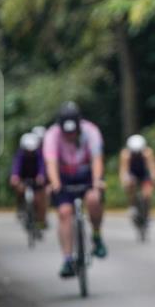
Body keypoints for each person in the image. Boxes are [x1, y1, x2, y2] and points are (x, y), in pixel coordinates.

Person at [42, 101, 107, 278]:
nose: (70, 136)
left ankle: (97, 235)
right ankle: (67, 259)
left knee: (94, 198)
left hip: (86, 174)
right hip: (63, 176)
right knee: (64, 212)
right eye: (67, 132)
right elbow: (51, 163)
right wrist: (55, 183)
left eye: (73, 132)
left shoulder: (91, 131)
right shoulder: (52, 135)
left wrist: (97, 181)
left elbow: (97, 159)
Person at [9, 132, 47, 229]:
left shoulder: (39, 154)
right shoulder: (20, 154)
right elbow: (16, 167)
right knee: (19, 189)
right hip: (23, 177)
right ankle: (20, 207)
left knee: (39, 199)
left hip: (36, 178)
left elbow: (41, 166)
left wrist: (41, 176)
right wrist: (15, 177)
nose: (30, 152)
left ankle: (40, 219)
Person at [119, 134, 155, 215]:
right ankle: (132, 204)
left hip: (144, 173)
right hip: (132, 173)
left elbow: (153, 167)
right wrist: (124, 182)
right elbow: (124, 170)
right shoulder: (125, 154)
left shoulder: (148, 152)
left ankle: (147, 209)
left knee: (147, 193)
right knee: (130, 184)